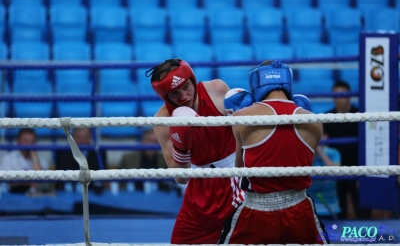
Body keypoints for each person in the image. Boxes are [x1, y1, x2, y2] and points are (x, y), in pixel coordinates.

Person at [218, 60, 327, 244]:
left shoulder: (243, 117)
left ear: (256, 83)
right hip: (300, 208)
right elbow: (306, 162)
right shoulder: (313, 120)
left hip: (255, 211)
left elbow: (239, 168)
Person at [146, 58, 245, 244]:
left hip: (237, 177)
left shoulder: (216, 90)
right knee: (181, 241)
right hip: (200, 188)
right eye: (174, 93)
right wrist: (182, 145)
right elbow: (181, 177)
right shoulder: (162, 120)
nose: (183, 96)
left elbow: (244, 133)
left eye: (186, 87)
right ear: (165, 96)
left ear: (192, 80)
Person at [323, 80, 371, 219]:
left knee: (363, 214)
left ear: (349, 96)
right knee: (340, 214)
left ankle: (369, 240)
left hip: (357, 170)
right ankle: (343, 241)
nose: (338, 99)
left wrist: (363, 173)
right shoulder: (328, 117)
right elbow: (322, 145)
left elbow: (366, 146)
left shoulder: (359, 116)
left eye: (342, 95)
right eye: (336, 95)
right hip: (337, 172)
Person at [0, 128, 53, 194]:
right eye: (26, 141)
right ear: (18, 141)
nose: (29, 144)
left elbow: (42, 183)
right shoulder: (8, 158)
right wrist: (30, 182)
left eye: (32, 141)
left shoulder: (41, 159)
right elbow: (10, 183)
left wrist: (34, 157)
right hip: (13, 196)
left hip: (35, 198)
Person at [54, 127, 106, 193]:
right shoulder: (63, 152)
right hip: (69, 192)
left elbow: (103, 178)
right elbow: (59, 179)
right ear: (73, 138)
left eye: (85, 137)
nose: (81, 141)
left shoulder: (98, 153)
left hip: (92, 193)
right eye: (78, 137)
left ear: (90, 137)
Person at [119, 128, 172, 192]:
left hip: (158, 196)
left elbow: (170, 183)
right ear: (142, 141)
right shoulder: (128, 159)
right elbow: (119, 182)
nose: (152, 144)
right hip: (133, 196)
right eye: (149, 140)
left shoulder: (164, 159)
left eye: (155, 141)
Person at [307, 130, 342, 219]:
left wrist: (320, 151)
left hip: (331, 206)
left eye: (321, 136)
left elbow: (335, 172)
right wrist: (313, 152)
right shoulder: (306, 152)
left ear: (326, 137)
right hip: (310, 207)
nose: (319, 140)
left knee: (333, 232)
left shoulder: (333, 152)